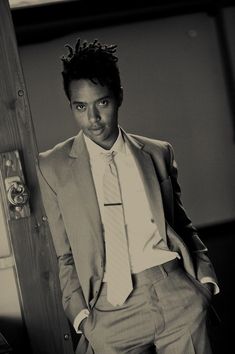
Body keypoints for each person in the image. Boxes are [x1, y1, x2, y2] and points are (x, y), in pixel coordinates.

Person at [37, 38, 219, 354]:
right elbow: (63, 252)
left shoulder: (158, 153)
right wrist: (81, 316)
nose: (93, 119)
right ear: (71, 106)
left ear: (119, 97)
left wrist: (204, 281)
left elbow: (182, 224)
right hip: (108, 310)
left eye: (102, 103)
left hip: (175, 292)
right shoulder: (52, 166)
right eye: (81, 107)